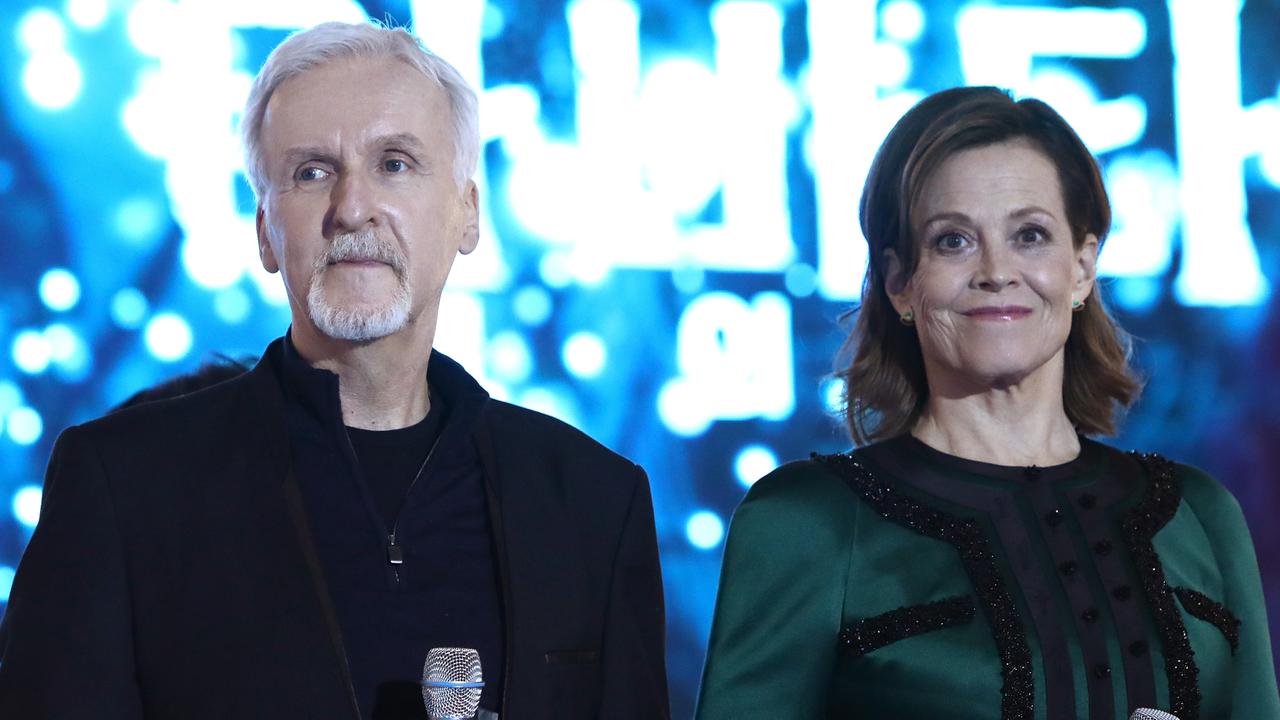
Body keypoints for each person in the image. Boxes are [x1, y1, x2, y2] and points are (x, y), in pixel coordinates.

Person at [0, 22, 669, 720]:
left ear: (467, 213)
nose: (353, 208)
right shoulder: (121, 486)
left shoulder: (593, 502)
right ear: (265, 228)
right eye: (312, 172)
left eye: (395, 164)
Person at [695, 87, 1280, 719]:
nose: (996, 271)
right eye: (953, 241)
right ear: (899, 282)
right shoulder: (808, 522)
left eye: (1030, 235)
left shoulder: (1200, 515)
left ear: (1082, 267)